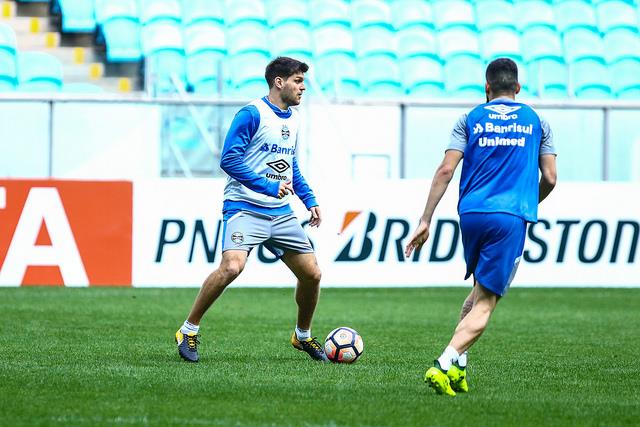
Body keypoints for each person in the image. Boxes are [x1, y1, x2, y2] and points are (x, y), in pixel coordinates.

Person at [404, 58, 557, 396]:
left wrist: (425, 219)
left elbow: (446, 170)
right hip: (509, 216)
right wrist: (527, 203)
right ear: (517, 88)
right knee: (487, 301)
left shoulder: (469, 118)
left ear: (487, 88)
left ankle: (460, 368)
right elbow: (550, 177)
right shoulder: (537, 121)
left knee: (477, 292)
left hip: (471, 214)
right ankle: (444, 362)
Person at [175, 57, 327, 363]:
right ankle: (188, 330)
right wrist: (268, 186)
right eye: (298, 81)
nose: (303, 87)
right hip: (244, 205)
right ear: (278, 82)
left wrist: (309, 199)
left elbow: (290, 165)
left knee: (312, 274)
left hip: (281, 212)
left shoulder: (293, 119)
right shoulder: (251, 114)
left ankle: (302, 336)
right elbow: (228, 160)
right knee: (232, 267)